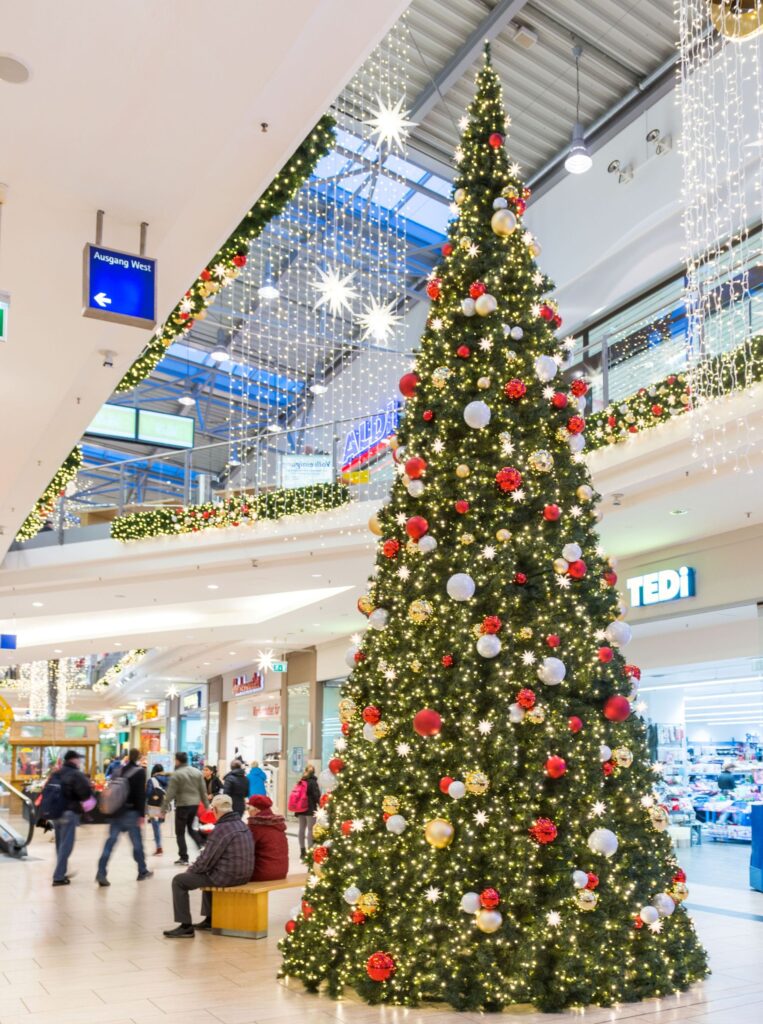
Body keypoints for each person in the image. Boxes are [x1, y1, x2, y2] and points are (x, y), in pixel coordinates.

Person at [163, 793, 254, 938]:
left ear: (215, 810)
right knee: (208, 873)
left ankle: (185, 926)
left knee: (179, 881)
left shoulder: (221, 829)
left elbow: (205, 860)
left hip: (228, 877)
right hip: (244, 875)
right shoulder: (242, 824)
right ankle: (210, 920)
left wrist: (190, 871)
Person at [95, 748, 152, 886]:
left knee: (110, 843)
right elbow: (140, 795)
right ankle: (142, 870)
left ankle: (101, 872)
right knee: (137, 844)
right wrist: (141, 814)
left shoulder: (118, 770)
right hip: (131, 813)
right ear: (138, 757)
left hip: (116, 813)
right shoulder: (140, 772)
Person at [49, 750, 94, 886]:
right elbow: (86, 793)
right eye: (78, 759)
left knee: (60, 845)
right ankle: (58, 876)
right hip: (69, 813)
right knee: (66, 845)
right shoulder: (76, 774)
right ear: (73, 760)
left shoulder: (57, 773)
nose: (80, 761)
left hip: (56, 813)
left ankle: (61, 871)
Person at [162, 751, 209, 865]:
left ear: (177, 760)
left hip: (182, 805)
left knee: (180, 832)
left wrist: (164, 807)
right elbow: (203, 790)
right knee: (190, 828)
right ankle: (202, 844)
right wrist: (206, 805)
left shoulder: (177, 774)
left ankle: (184, 857)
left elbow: (170, 793)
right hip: (194, 805)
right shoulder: (197, 772)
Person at [246, 794, 288, 881]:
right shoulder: (278, 824)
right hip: (282, 871)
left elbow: (245, 849)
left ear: (256, 809)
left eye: (248, 808)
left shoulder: (255, 826)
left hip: (262, 873)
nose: (248, 811)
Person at [296, 763, 321, 858]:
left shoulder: (301, 781)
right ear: (314, 772)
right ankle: (310, 850)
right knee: (310, 829)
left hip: (300, 808)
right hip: (310, 808)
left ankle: (302, 850)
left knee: (301, 828)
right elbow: (316, 796)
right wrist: (320, 804)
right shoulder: (313, 782)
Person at [146, 764, 167, 855]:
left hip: (154, 805)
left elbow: (148, 793)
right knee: (158, 824)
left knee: (155, 826)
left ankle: (159, 847)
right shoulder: (167, 779)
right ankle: (158, 841)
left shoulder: (151, 780)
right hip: (164, 804)